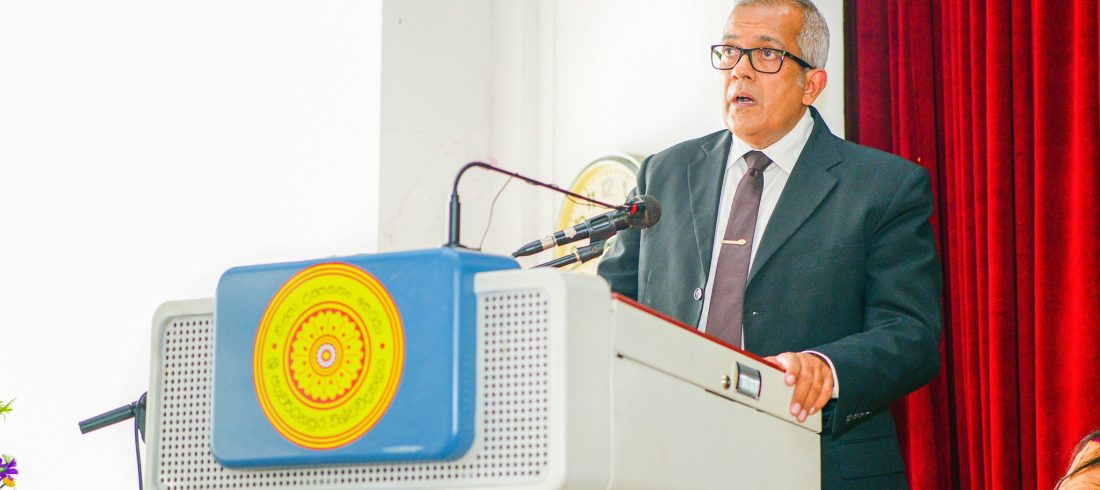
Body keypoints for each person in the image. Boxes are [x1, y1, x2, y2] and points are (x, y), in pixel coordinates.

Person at [597, 0, 942, 487]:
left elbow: (910, 334)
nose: (740, 70)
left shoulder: (883, 187)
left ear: (812, 85)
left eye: (766, 55)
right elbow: (611, 303)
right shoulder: (665, 173)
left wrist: (826, 368)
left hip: (815, 458)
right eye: (730, 52)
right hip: (669, 455)